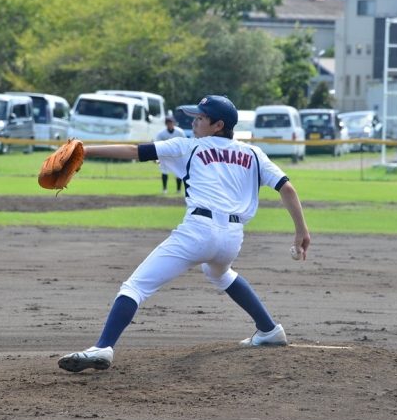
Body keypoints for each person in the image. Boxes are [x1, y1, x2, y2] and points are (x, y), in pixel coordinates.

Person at [58, 95, 311, 373]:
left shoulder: (188, 146)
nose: (194, 122)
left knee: (135, 287)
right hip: (232, 238)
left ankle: (102, 347)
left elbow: (134, 151)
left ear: (218, 125)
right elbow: (287, 188)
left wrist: (85, 151)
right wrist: (301, 231)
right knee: (219, 273)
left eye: (201, 118)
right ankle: (269, 330)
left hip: (198, 233)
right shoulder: (253, 154)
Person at [154, 113, 186, 193]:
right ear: (165, 123)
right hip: (166, 155)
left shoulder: (179, 132)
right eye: (168, 122)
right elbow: (156, 144)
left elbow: (185, 143)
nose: (169, 124)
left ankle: (178, 190)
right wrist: (155, 157)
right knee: (164, 170)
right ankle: (164, 189)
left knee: (178, 171)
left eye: (171, 122)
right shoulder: (162, 133)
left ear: (174, 123)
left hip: (177, 155)